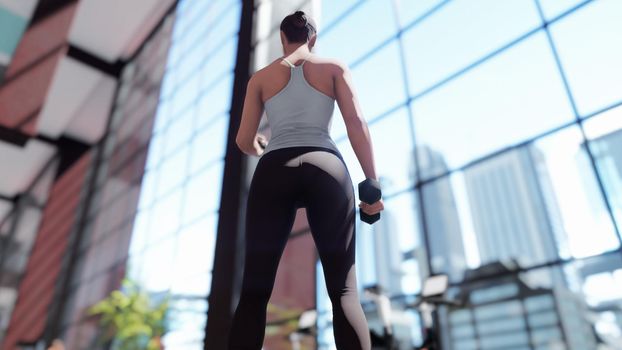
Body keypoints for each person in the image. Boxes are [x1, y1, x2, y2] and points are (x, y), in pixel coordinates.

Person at [229, 10, 384, 349]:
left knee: (254, 292)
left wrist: (261, 146)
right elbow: (356, 123)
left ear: (283, 40)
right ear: (312, 38)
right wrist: (371, 183)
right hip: (325, 166)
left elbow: (243, 140)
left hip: (274, 169)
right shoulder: (333, 68)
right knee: (344, 291)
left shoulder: (260, 78)